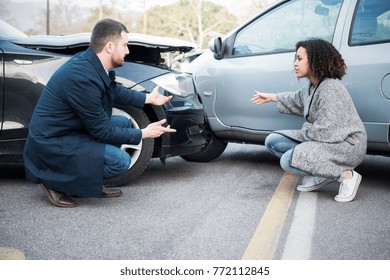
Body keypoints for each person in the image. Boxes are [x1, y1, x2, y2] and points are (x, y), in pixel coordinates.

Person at [23, 19, 176, 208]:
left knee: (124, 124)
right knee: (121, 161)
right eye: (125, 45)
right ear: (110, 47)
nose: (128, 51)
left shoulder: (91, 63)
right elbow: (102, 132)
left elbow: (113, 90)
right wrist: (145, 133)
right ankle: (54, 182)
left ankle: (90, 180)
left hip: (71, 130)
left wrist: (148, 99)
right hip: (53, 143)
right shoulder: (81, 77)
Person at [251, 38, 367, 202]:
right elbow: (297, 99)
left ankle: (346, 175)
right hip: (328, 140)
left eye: (299, 59)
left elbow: (326, 131)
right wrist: (272, 97)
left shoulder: (331, 89)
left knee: (289, 160)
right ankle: (324, 172)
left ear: (315, 61)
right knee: (273, 141)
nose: (295, 64)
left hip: (347, 145)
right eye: (295, 59)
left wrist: (304, 136)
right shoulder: (313, 86)